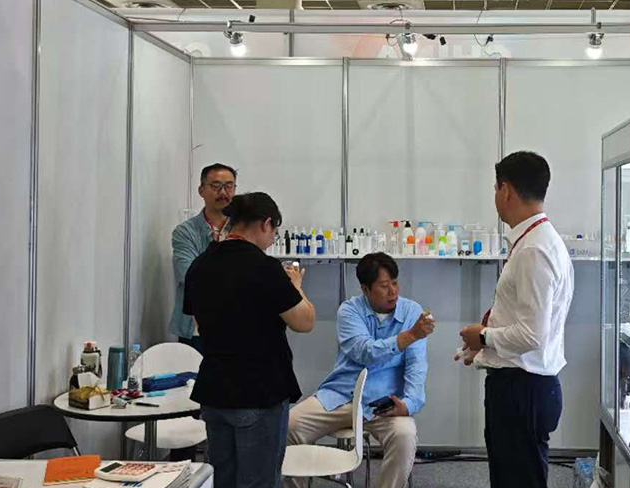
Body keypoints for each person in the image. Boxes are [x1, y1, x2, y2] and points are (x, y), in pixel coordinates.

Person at [456, 151, 574, 488]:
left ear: (506, 190)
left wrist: (484, 337)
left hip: (522, 390)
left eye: (496, 188)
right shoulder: (536, 241)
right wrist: (483, 348)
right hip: (523, 385)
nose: (495, 196)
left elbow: (532, 335)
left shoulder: (534, 250)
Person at [184, 192, 316, 488]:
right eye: (274, 232)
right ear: (266, 224)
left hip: (215, 391)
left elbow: (198, 323)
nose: (271, 240)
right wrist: (296, 286)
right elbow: (304, 322)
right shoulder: (265, 267)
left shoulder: (200, 265)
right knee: (258, 481)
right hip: (259, 391)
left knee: (223, 479)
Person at [284, 252, 435, 488]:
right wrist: (409, 336)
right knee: (289, 425)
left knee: (405, 435)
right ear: (365, 289)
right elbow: (365, 352)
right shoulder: (349, 310)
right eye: (384, 286)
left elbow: (417, 367)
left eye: (395, 283)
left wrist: (409, 404)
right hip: (341, 396)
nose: (393, 291)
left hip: (384, 405)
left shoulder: (412, 312)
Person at [170, 163, 238, 352]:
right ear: (201, 190)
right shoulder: (185, 232)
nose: (223, 192)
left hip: (237, 326)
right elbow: (190, 276)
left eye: (229, 186)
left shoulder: (244, 229)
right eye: (216, 186)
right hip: (196, 331)